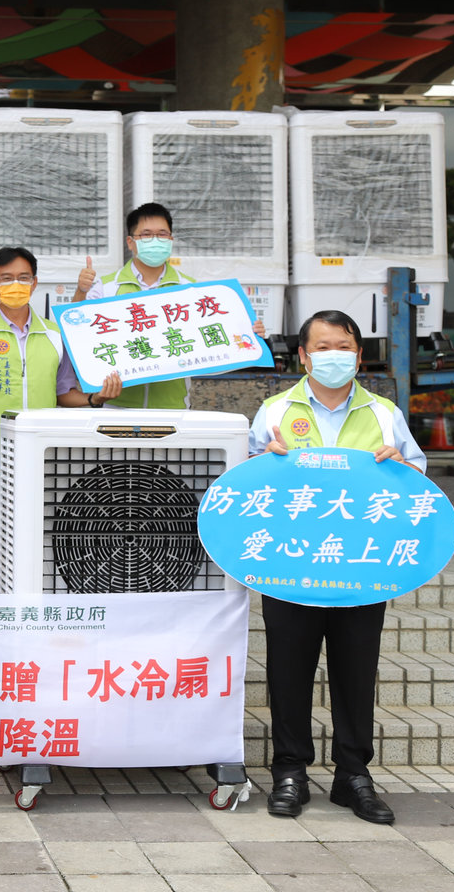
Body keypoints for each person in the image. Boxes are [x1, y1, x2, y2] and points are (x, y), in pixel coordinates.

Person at [248, 310, 426, 825]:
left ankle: (353, 775)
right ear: (303, 357)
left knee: (355, 671)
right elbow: (242, 485)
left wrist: (403, 468)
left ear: (359, 355)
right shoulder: (275, 411)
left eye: (343, 347)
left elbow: (420, 479)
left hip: (361, 568)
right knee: (288, 670)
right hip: (289, 566)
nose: (334, 356)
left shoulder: (385, 413)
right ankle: (290, 772)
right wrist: (264, 462)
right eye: (322, 348)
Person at [0, 246, 90, 594]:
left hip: (40, 462)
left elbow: (64, 393)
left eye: (23, 277)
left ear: (35, 282)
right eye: (6, 278)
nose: (16, 284)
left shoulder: (55, 335)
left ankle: (24, 616)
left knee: (36, 550)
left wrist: (96, 398)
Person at [71, 201, 264, 408]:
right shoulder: (106, 287)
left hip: (173, 409)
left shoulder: (190, 290)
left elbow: (214, 339)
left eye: (162, 234)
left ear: (171, 240)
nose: (155, 240)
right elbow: (74, 330)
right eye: (146, 235)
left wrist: (250, 332)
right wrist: (81, 291)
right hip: (116, 408)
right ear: (130, 242)